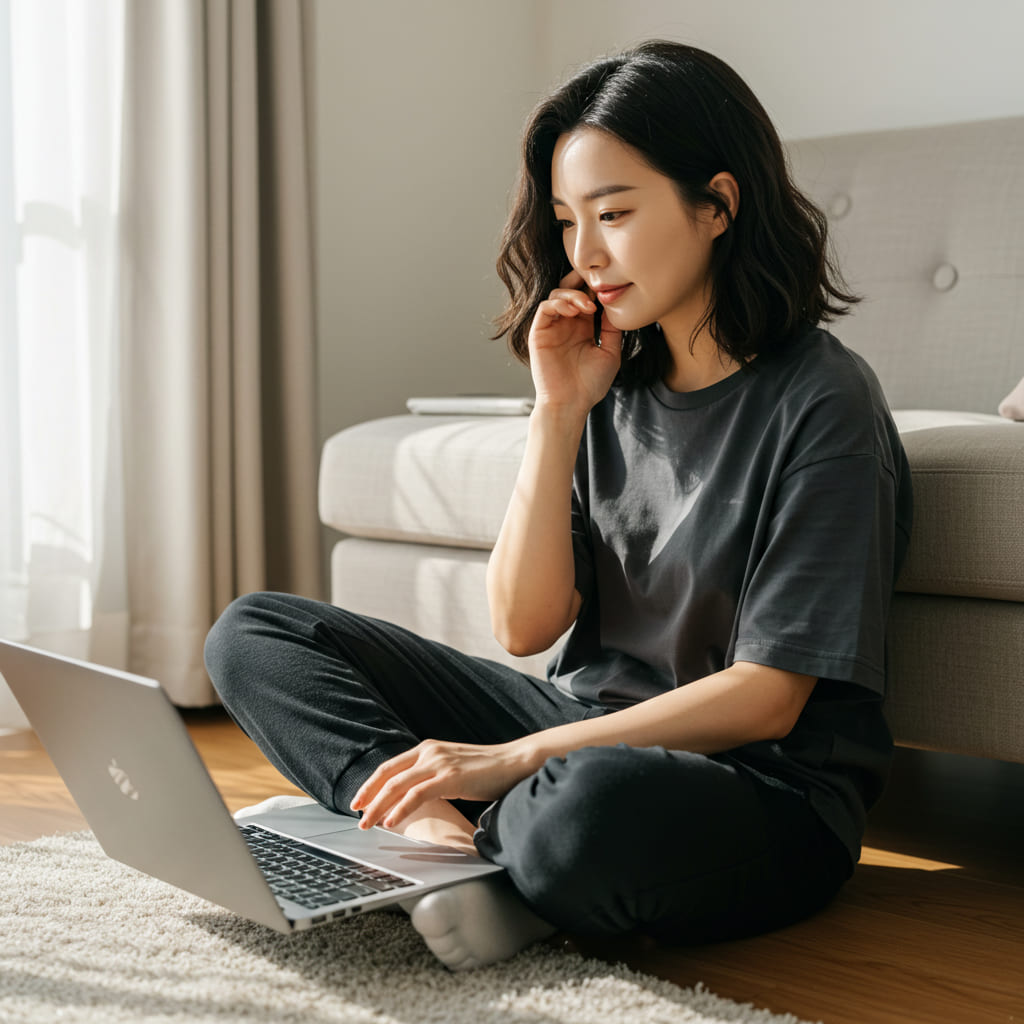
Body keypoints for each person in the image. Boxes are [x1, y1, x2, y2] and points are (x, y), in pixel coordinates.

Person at [204, 40, 912, 971]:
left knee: (585, 808)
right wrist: (558, 411)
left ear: (718, 205)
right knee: (254, 632)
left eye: (614, 213)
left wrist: (507, 764)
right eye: (570, 221)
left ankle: (429, 838)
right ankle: (439, 845)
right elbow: (524, 623)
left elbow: (769, 700)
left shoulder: (825, 400)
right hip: (575, 727)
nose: (586, 254)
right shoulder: (612, 382)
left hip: (756, 790)